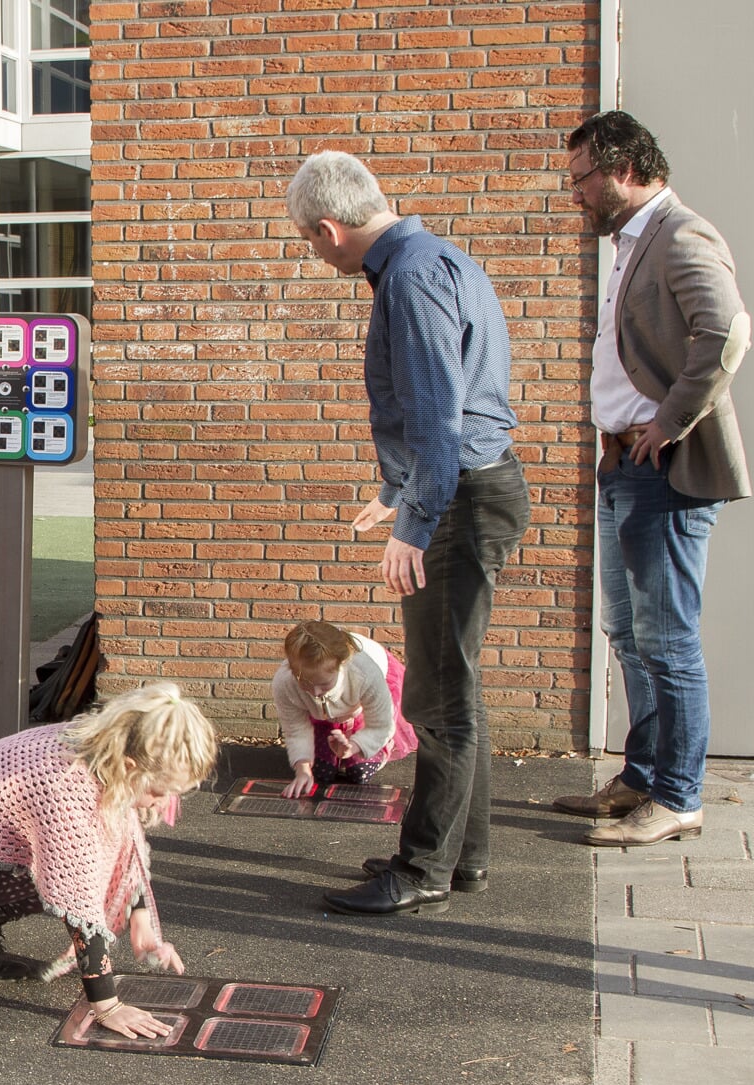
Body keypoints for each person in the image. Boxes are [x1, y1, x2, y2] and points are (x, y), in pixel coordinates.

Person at [285, 150, 530, 917]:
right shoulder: (438, 258)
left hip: (459, 498)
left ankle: (423, 868)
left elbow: (437, 416)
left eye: (309, 240)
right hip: (466, 488)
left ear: (329, 228)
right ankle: (465, 859)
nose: (315, 253)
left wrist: (415, 524)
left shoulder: (413, 277)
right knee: (457, 686)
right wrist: (396, 493)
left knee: (437, 696)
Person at [550, 112, 754, 848]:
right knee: (629, 633)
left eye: (581, 179)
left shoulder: (680, 233)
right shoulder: (634, 241)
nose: (575, 194)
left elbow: (727, 330)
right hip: (619, 465)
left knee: (667, 639)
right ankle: (641, 775)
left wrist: (672, 420)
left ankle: (678, 796)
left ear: (624, 167)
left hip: (660, 467)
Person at [0, 681, 217, 1040]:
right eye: (159, 792)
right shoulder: (68, 789)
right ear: (129, 765)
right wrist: (107, 1006)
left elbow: (124, 840)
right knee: (67, 877)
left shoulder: (93, 742)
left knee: (88, 862)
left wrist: (139, 920)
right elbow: (80, 899)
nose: (162, 803)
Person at [273, 620, 418, 801]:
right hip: (324, 713)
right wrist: (302, 769)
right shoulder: (284, 682)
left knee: (358, 773)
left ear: (341, 666)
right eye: (307, 683)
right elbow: (296, 728)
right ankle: (328, 732)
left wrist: (354, 747)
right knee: (322, 773)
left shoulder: (365, 673)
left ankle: (371, 746)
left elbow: (381, 724)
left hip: (360, 707)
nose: (316, 692)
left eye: (324, 684)